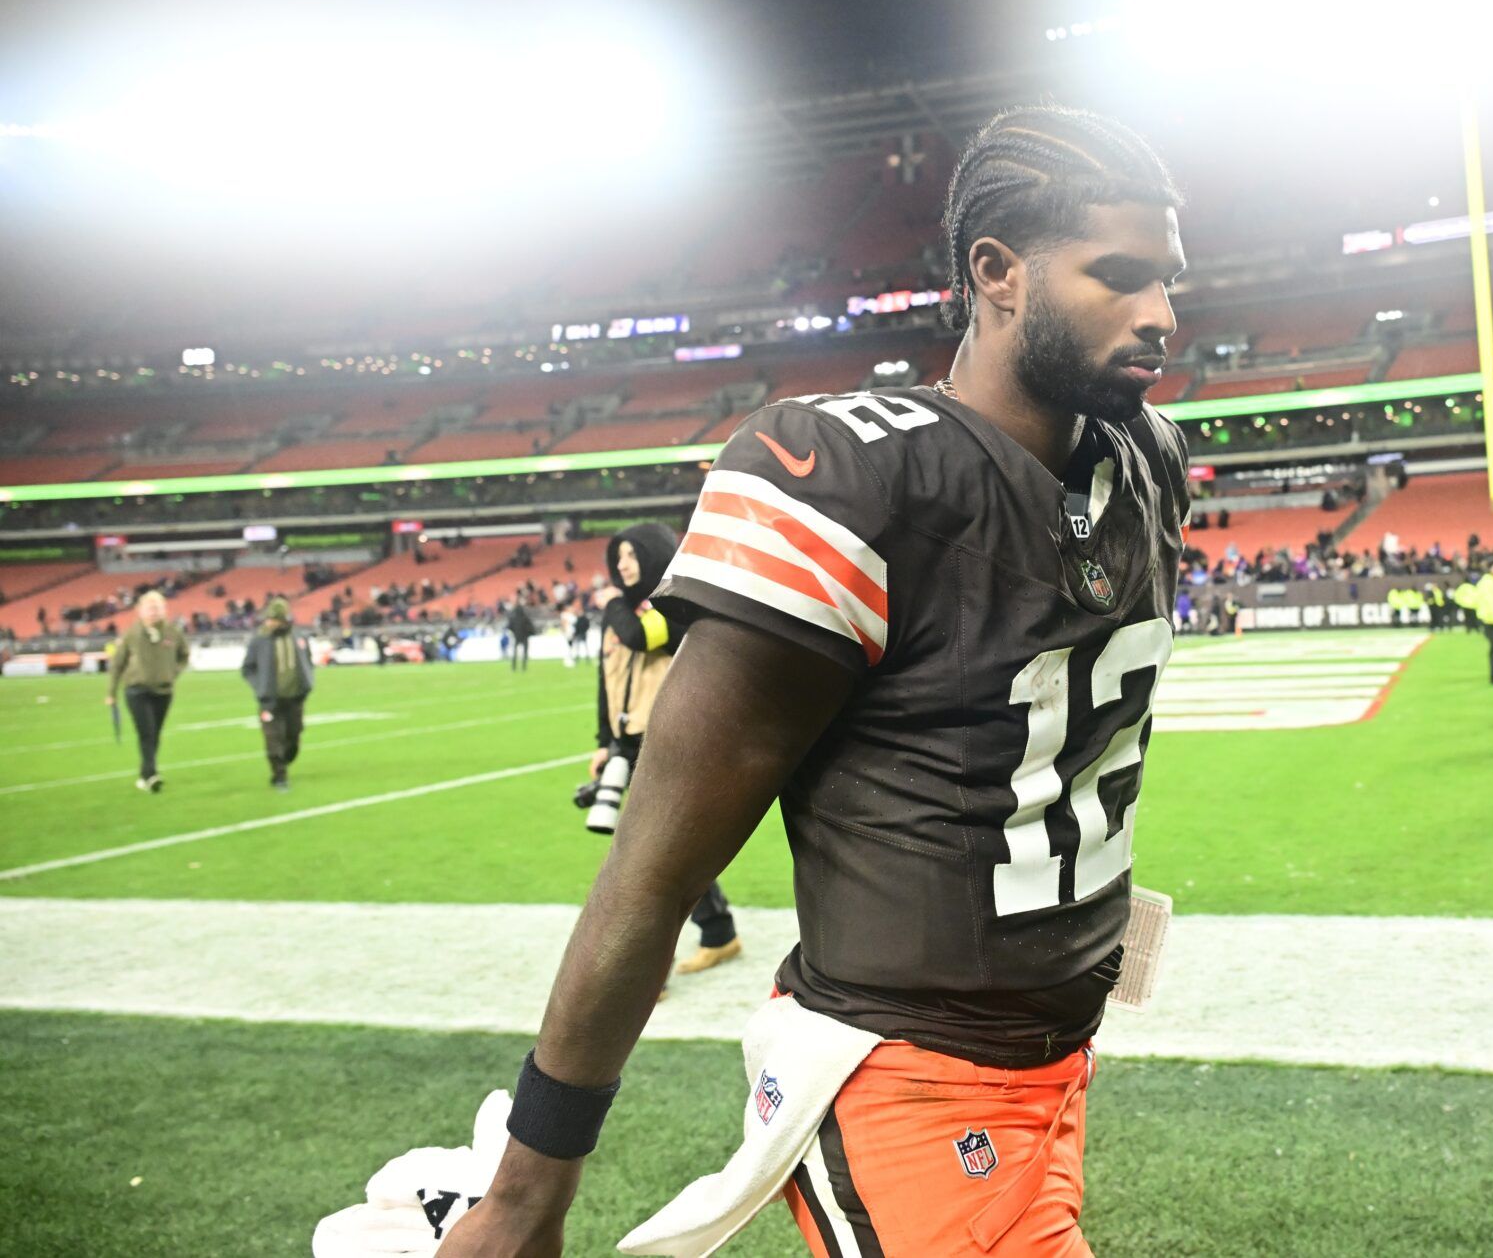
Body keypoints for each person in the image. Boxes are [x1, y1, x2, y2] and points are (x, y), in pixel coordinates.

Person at [442, 104, 1189, 1258]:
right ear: (996, 271)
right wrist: (528, 1194)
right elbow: (651, 874)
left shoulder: (1142, 457)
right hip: (908, 1071)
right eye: (1120, 276)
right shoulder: (854, 475)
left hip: (1057, 1051)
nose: (1161, 314)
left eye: (1167, 279)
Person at [582, 522, 740, 972]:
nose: (621, 564)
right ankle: (718, 931)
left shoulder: (674, 606)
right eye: (618, 557)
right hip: (627, 741)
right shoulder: (624, 611)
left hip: (668, 743)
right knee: (662, 848)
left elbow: (639, 637)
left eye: (631, 555)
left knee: (649, 852)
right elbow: (605, 681)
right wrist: (603, 741)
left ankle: (645, 967)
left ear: (653, 555)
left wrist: (611, 604)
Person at [105, 590, 190, 792]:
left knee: (155, 733)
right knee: (147, 732)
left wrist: (173, 672)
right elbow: (117, 663)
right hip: (137, 690)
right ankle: (152, 775)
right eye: (150, 608)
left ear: (164, 610)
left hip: (164, 691)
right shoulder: (132, 634)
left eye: (158, 608)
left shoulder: (173, 632)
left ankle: (145, 774)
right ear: (140, 611)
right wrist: (111, 692)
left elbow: (184, 655)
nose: (154, 612)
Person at [240, 597, 314, 791]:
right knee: (273, 737)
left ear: (284, 619)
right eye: (268, 619)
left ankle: (284, 759)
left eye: (274, 619)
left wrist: (307, 682)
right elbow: (247, 668)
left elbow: (308, 661)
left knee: (294, 735)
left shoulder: (298, 637)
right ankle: (279, 775)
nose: (269, 622)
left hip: (295, 697)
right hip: (270, 700)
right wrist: (260, 686)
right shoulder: (259, 640)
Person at [506, 599, 534, 672]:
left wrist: (514, 632)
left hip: (517, 637)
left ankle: (514, 667)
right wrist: (528, 633)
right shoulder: (525, 618)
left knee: (515, 653)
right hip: (524, 637)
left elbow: (509, 627)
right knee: (524, 652)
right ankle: (523, 667)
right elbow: (530, 627)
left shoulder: (513, 618)